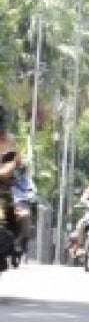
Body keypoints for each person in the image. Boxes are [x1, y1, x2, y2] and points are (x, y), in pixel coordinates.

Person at [0, 104, 21, 271]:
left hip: (2, 189)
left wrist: (5, 172)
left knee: (8, 216)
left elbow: (12, 164)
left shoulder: (7, 141)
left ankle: (11, 247)